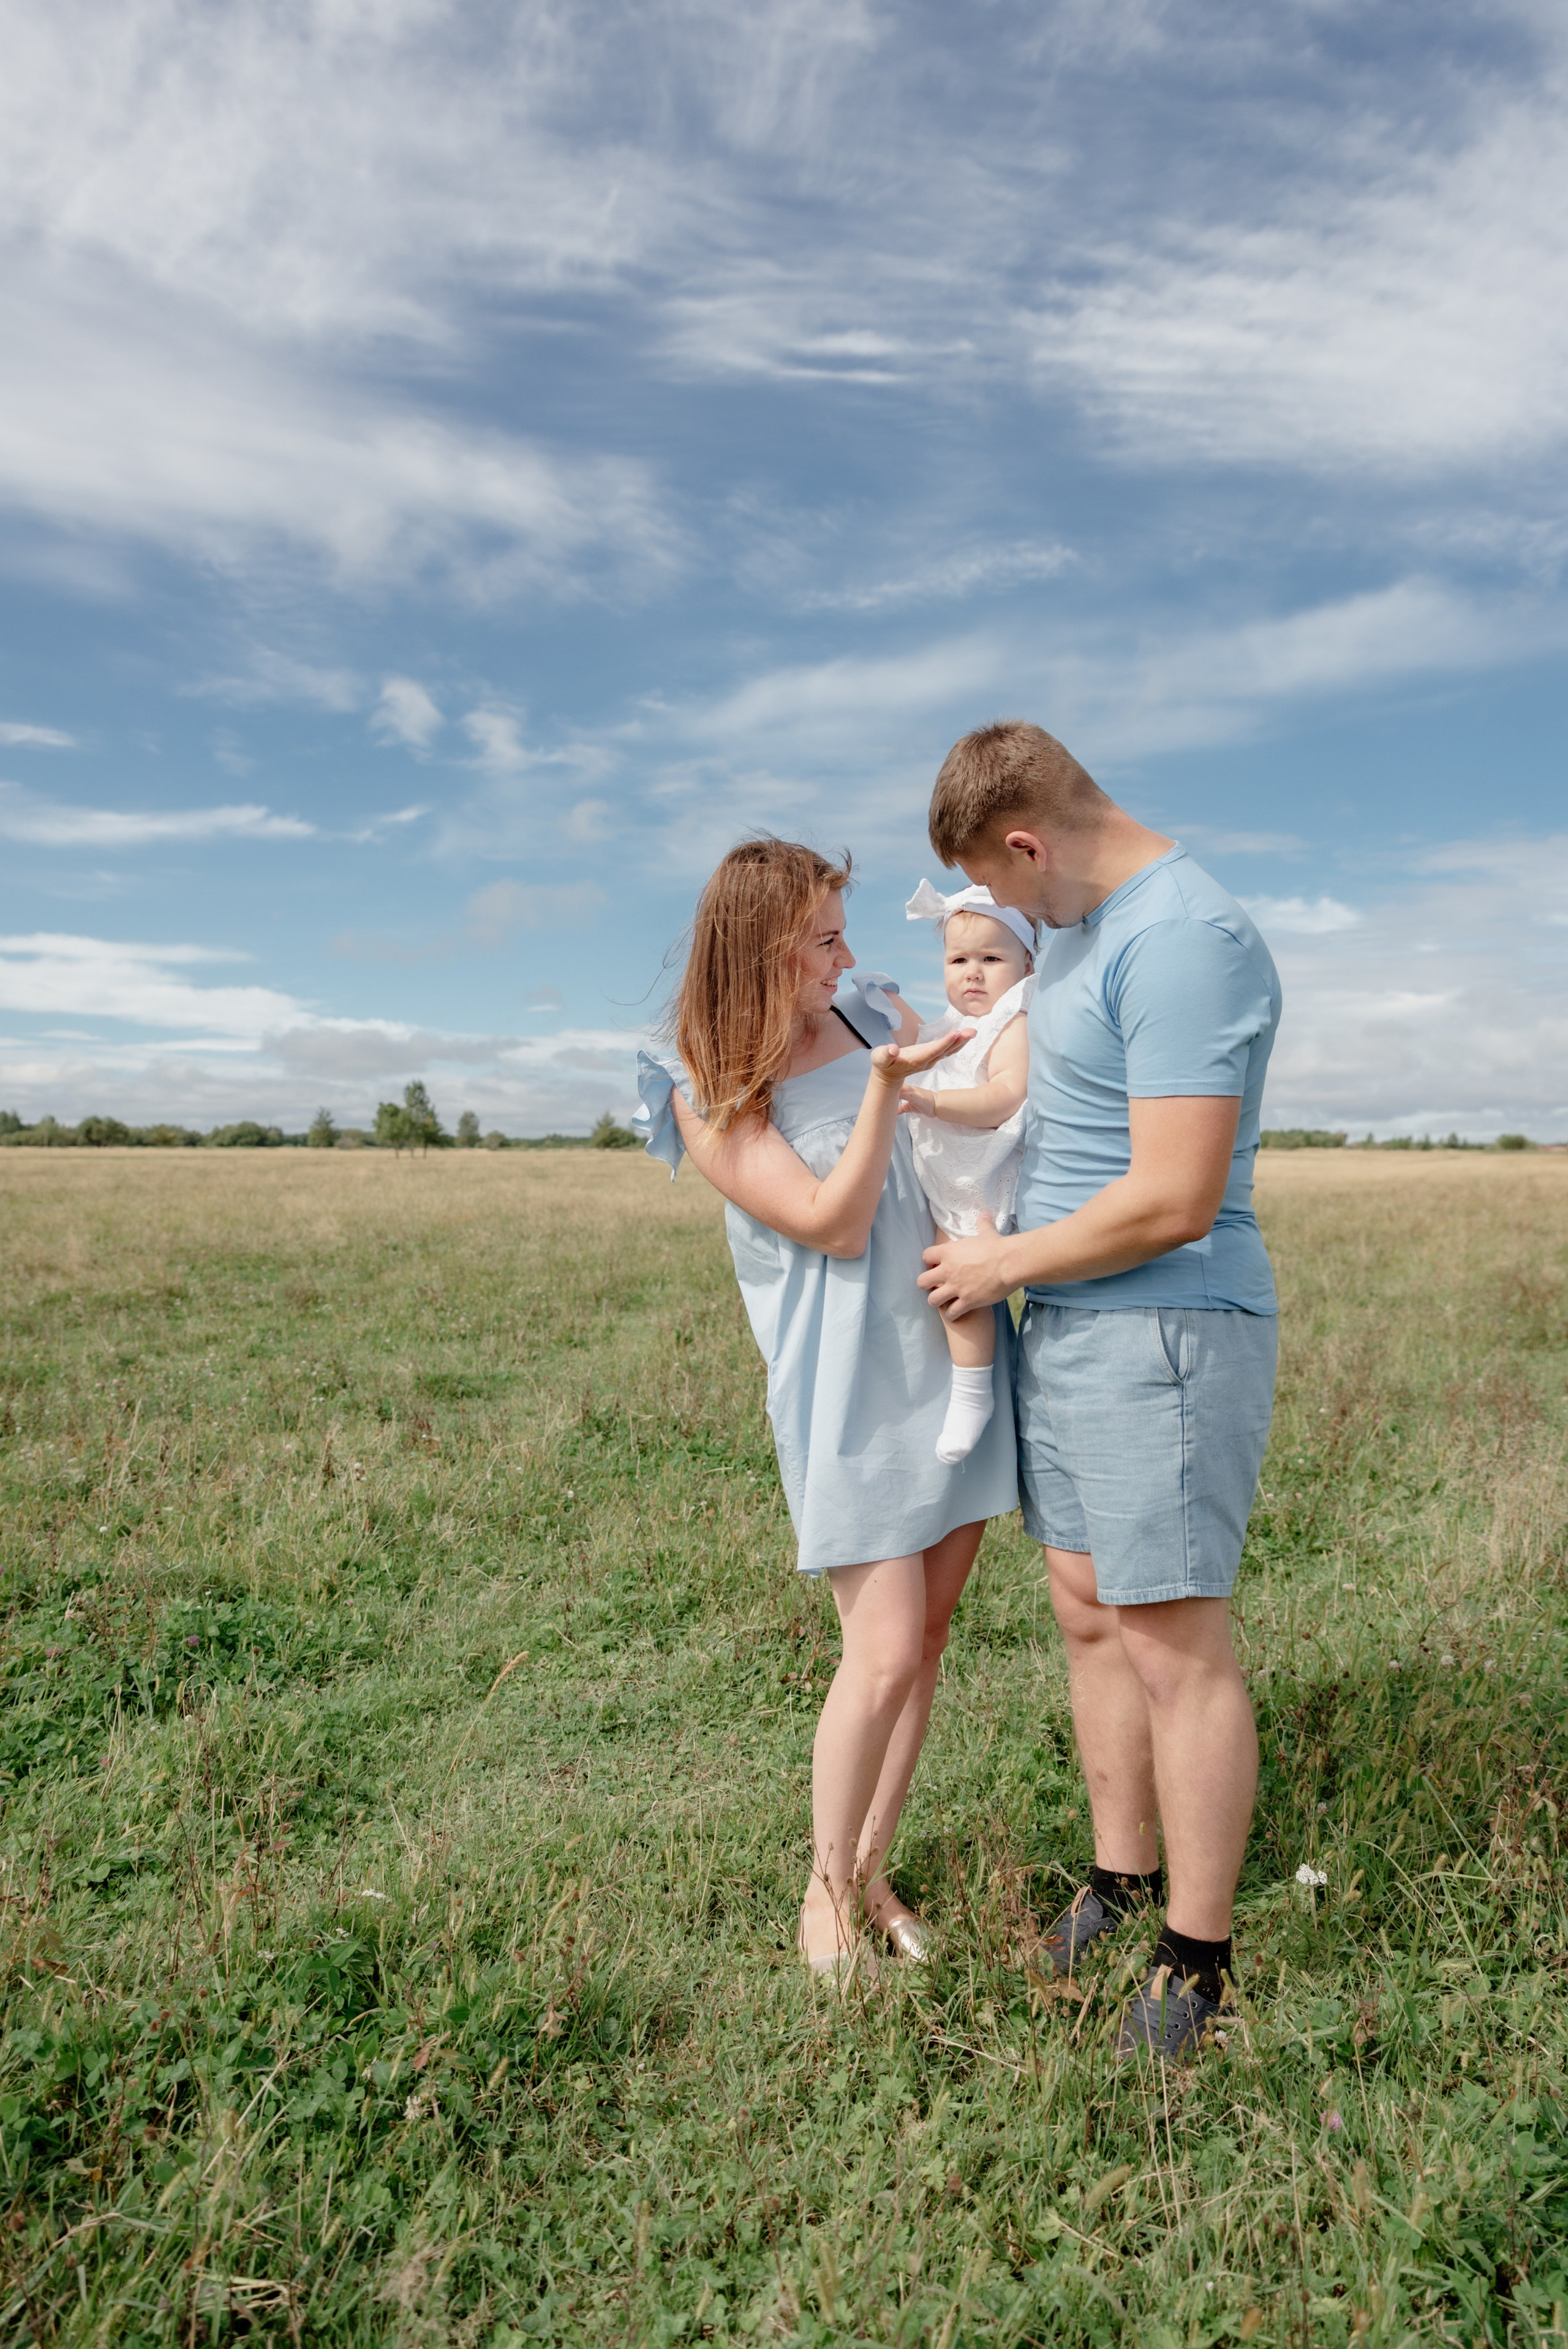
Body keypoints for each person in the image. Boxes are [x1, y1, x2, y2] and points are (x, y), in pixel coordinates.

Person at [917, 722, 1281, 2060]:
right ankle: (1119, 1878)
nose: (1006, 918)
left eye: (1001, 888)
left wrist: (999, 1258)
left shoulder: (1181, 938)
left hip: (1161, 1334)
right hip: (1064, 1323)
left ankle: (1197, 1957)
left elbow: (1176, 1196)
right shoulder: (1075, 932)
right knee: (1085, 1612)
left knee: (1168, 1638)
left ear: (1027, 842)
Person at [634, 840, 1019, 1982]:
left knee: (930, 1640)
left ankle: (869, 1868)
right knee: (883, 1645)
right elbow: (836, 1223)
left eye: (844, 931)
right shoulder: (701, 1085)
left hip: (949, 1348)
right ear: (761, 949)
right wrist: (891, 1092)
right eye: (825, 940)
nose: (850, 956)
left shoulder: (872, 1011)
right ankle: (820, 1888)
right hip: (845, 1380)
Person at [897, 878, 1035, 1464]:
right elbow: (920, 1041)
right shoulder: (956, 1021)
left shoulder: (1014, 1020)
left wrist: (931, 1103)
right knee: (945, 1274)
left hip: (982, 1176)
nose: (973, 973)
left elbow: (1006, 1095)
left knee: (959, 1281)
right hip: (949, 1171)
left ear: (1027, 964)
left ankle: (972, 1392)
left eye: (991, 958)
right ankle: (967, 1386)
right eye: (959, 959)